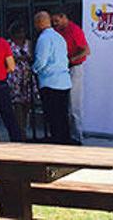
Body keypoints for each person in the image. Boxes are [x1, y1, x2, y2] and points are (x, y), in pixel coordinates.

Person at [32, 11, 72, 144]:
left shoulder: (44, 39)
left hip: (50, 82)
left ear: (39, 23)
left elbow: (41, 60)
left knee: (53, 115)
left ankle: (56, 141)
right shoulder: (59, 37)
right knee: (62, 114)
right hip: (64, 81)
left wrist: (34, 69)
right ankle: (65, 139)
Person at [51, 7, 90, 145]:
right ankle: (66, 135)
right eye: (53, 21)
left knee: (74, 105)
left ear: (63, 17)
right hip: (62, 70)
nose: (55, 24)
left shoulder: (74, 30)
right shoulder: (57, 31)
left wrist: (71, 59)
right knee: (64, 104)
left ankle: (77, 137)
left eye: (56, 20)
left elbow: (86, 50)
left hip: (74, 68)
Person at [6, 21, 37, 140]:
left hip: (27, 75)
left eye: (22, 33)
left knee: (27, 102)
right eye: (18, 33)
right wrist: (17, 58)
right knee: (17, 102)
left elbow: (33, 57)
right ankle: (20, 130)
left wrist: (27, 58)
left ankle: (24, 125)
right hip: (14, 76)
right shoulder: (9, 44)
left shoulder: (29, 44)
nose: (21, 35)